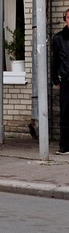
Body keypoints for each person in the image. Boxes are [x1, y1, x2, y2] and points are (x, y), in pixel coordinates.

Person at [49, 9, 69, 154]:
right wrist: (55, 78)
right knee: (65, 113)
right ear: (65, 19)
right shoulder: (59, 38)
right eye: (68, 17)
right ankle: (64, 146)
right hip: (66, 81)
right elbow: (55, 60)